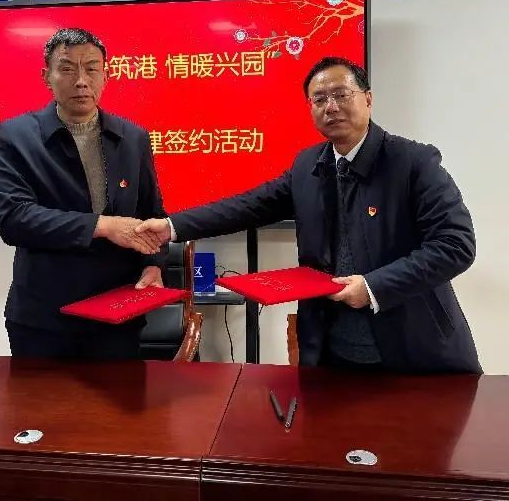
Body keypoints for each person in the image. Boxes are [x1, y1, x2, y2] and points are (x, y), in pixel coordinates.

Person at [138, 56, 480, 373]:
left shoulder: (413, 163)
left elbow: (456, 245)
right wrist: (171, 226)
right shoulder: (308, 165)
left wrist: (373, 286)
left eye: (341, 95)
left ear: (368, 99)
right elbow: (248, 206)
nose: (331, 107)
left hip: (413, 350)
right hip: (333, 351)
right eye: (319, 99)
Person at [0, 27, 166, 360]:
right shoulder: (17, 136)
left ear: (106, 75)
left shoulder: (133, 138)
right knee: (41, 398)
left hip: (117, 316)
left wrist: (153, 265)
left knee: (121, 396)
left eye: (92, 69)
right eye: (67, 69)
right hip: (44, 319)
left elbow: (151, 214)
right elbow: (12, 219)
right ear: (47, 76)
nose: (81, 81)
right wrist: (103, 225)